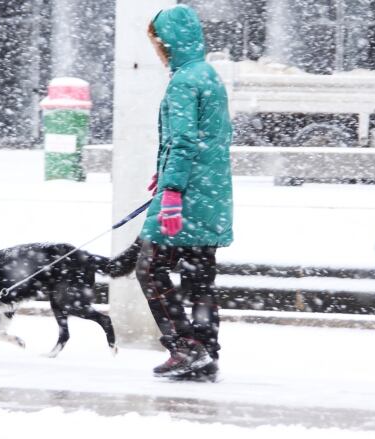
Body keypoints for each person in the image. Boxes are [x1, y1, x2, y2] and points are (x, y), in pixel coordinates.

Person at [135, 4, 233, 381]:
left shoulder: (183, 82)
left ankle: (184, 346)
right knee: (199, 277)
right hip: (211, 192)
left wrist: (172, 188)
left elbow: (184, 141)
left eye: (157, 43)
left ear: (169, 43)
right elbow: (213, 139)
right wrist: (164, 174)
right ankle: (206, 349)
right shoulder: (208, 75)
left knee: (149, 269)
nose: (157, 50)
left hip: (187, 194)